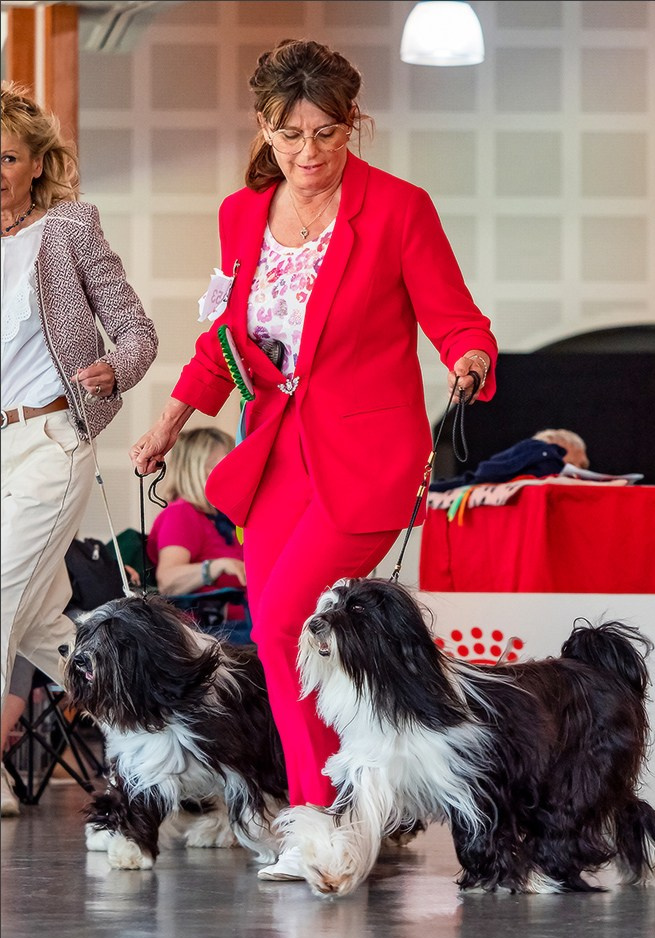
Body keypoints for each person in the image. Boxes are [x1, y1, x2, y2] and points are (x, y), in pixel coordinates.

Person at [129, 38, 497, 879]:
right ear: (264, 126)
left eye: (327, 134)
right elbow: (225, 340)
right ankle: (323, 822)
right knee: (278, 637)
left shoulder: (398, 208)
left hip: (368, 454)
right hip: (275, 455)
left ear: (351, 124)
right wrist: (171, 421)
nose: (309, 153)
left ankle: (333, 821)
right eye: (291, 135)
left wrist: (470, 356)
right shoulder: (240, 214)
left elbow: (455, 316)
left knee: (289, 619)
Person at [1, 80, 158, 817]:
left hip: (52, 438)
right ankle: (157, 726)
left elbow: (135, 328)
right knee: (42, 627)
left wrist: (116, 368)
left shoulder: (68, 228)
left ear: (36, 162)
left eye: (8, 157)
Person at [146, 426, 252, 645]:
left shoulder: (221, 518)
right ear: (197, 471)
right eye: (223, 465)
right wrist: (216, 567)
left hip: (237, 625)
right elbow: (168, 580)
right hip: (209, 633)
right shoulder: (181, 514)